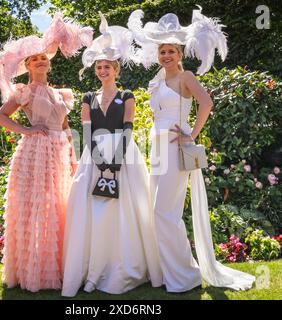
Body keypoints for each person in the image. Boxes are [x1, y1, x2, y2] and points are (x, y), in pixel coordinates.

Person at [128, 7, 256, 292]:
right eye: (162, 52)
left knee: (165, 212)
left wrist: (192, 133)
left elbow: (206, 103)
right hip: (158, 148)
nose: (166, 56)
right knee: (155, 209)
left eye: (171, 51)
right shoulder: (158, 80)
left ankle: (185, 276)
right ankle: (166, 273)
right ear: (158, 55)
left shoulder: (186, 78)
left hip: (176, 149)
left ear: (180, 54)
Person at [62, 13, 162, 297]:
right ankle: (92, 271)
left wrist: (115, 162)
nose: (102, 71)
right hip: (93, 159)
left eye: (107, 67)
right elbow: (84, 131)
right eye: (99, 67)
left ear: (116, 70)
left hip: (124, 157)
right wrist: (98, 160)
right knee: (93, 214)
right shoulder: (87, 98)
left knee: (124, 213)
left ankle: (121, 268)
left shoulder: (127, 95)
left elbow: (128, 127)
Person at [0, 14, 93, 292]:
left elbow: (65, 125)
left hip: (60, 153)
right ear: (27, 65)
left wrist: (73, 155)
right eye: (35, 59)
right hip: (34, 154)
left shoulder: (61, 94)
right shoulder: (23, 91)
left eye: (43, 58)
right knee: (36, 210)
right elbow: (0, 117)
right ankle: (30, 272)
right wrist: (27, 130)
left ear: (48, 63)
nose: (41, 62)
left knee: (60, 207)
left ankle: (60, 268)